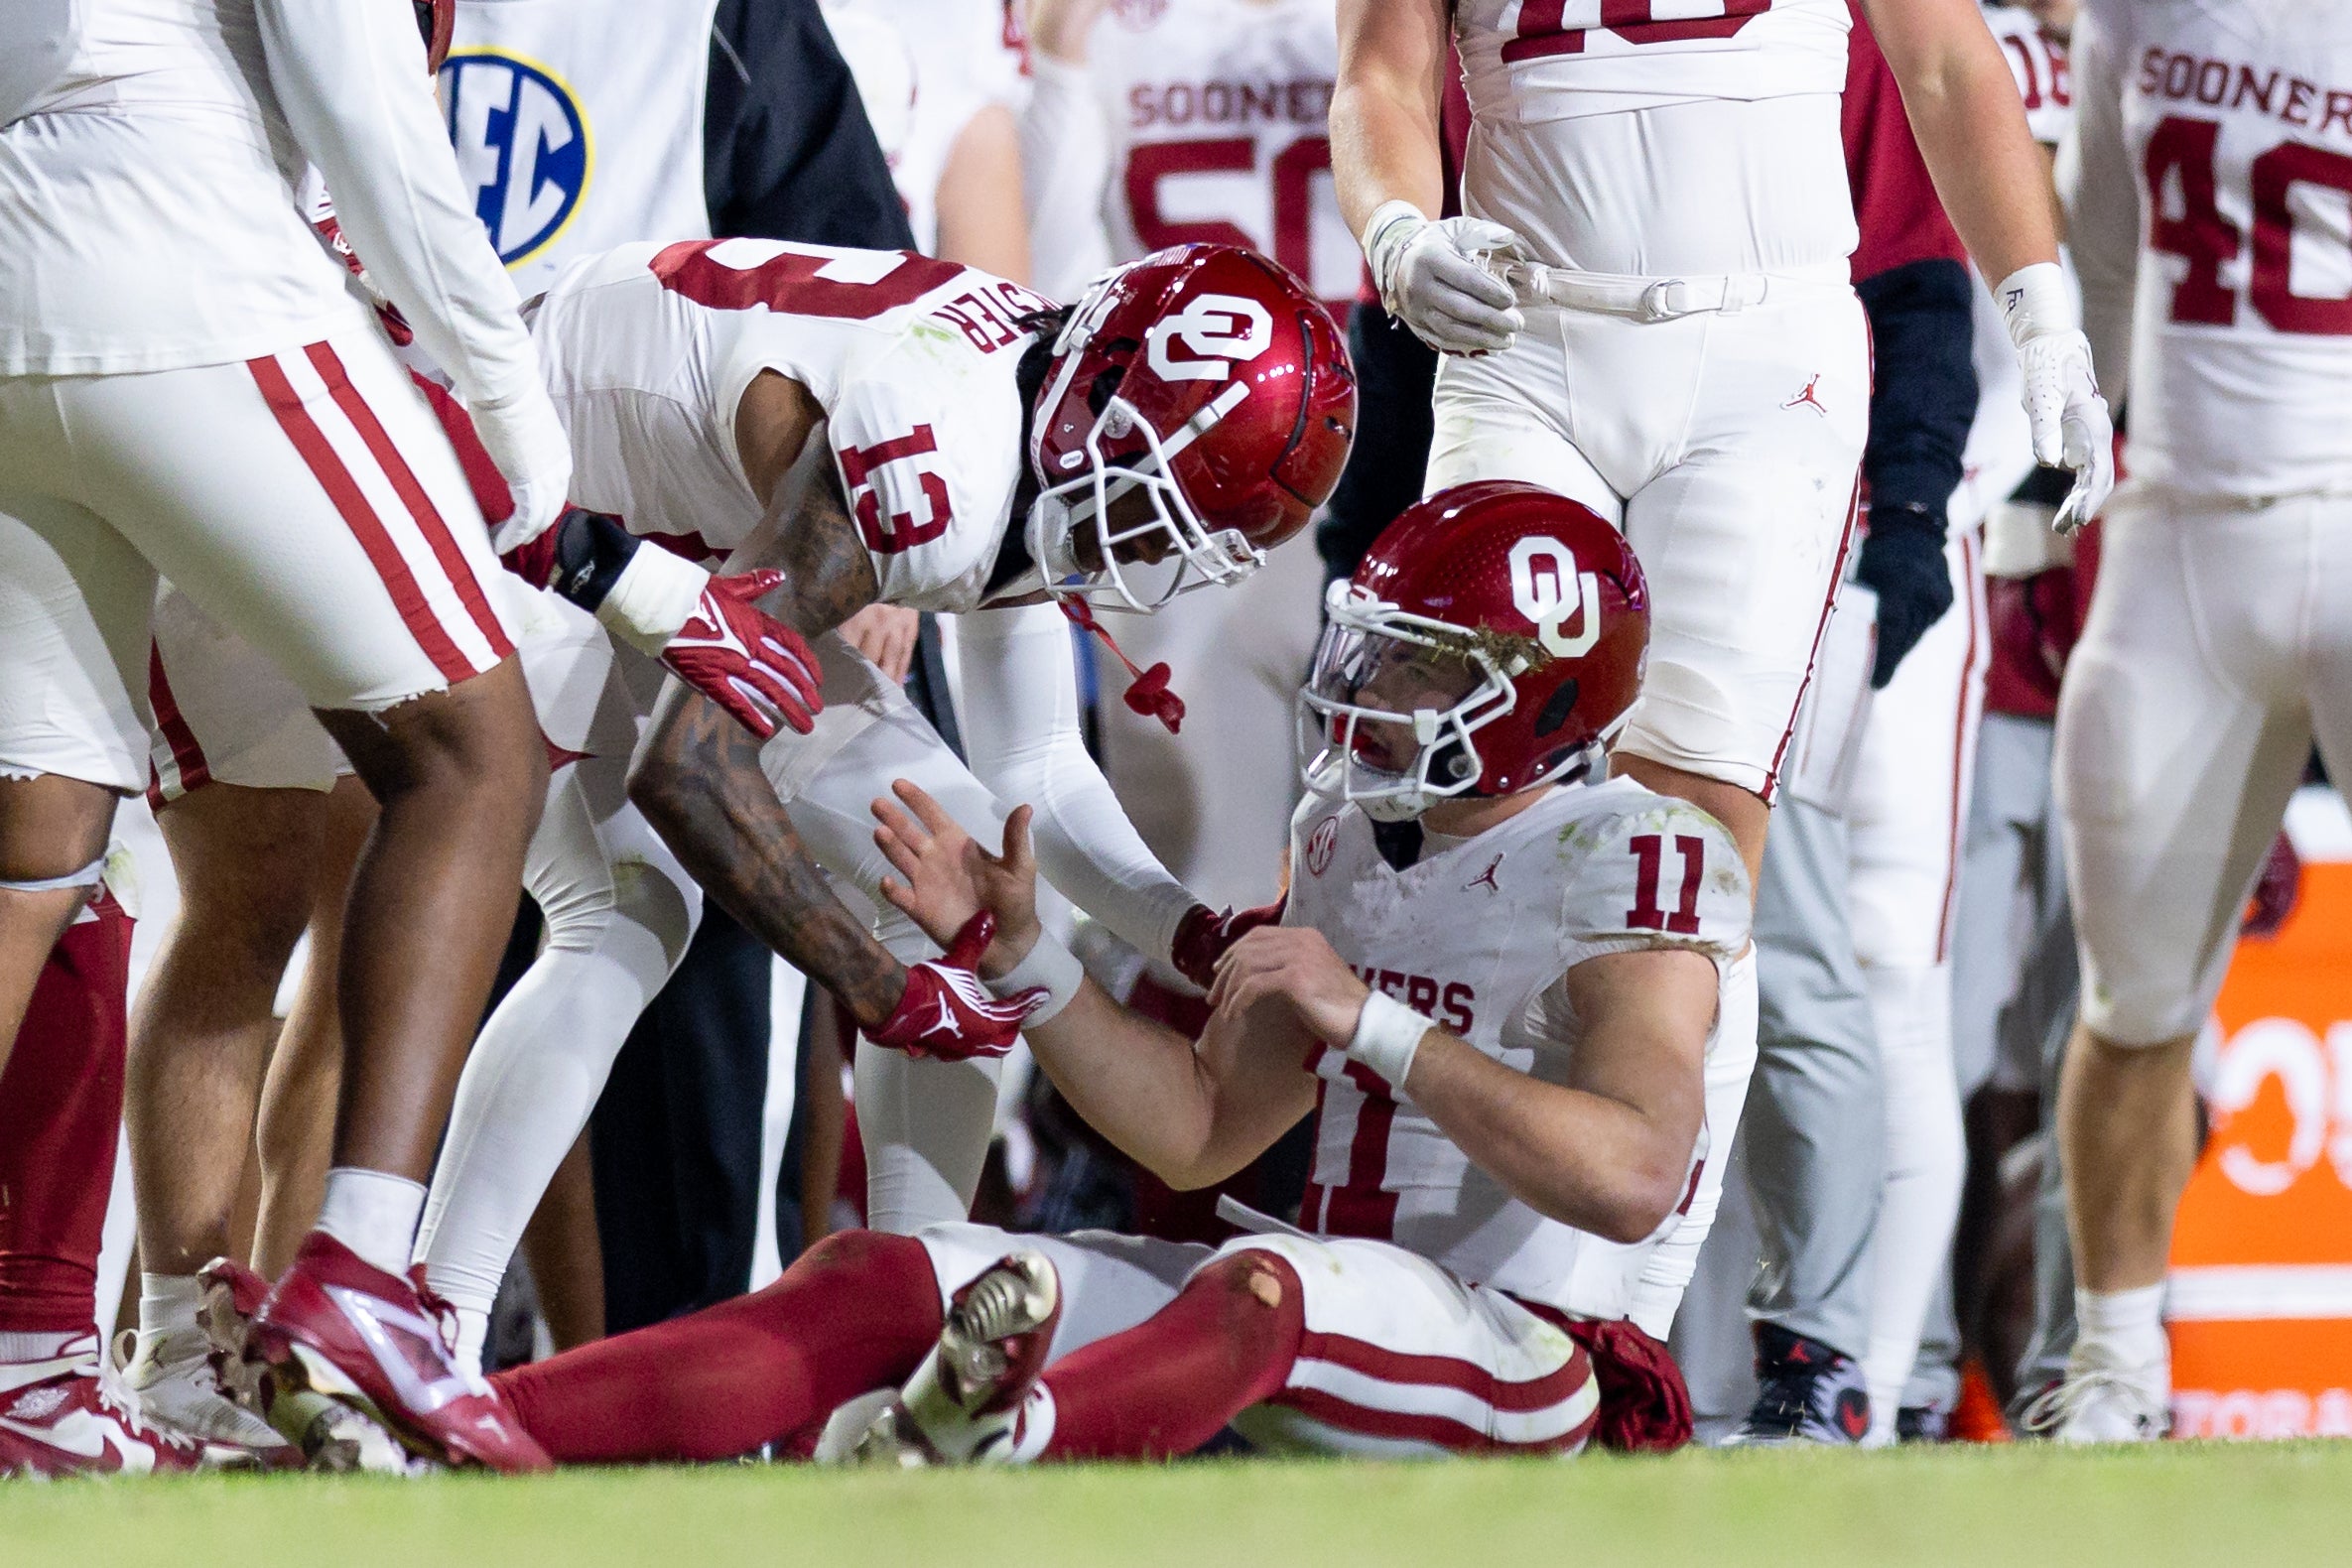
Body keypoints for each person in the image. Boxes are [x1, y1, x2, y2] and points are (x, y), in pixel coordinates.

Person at [235, 481, 1744, 1471]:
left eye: (1425, 667)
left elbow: (1628, 1174)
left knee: (1261, 1284)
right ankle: (449, 1430)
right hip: (1292, 1312)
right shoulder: (1355, 834)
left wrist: (1374, 1025)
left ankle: (980, 1450)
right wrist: (1024, 962)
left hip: (1530, 1357)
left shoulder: (1633, 856)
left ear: (1536, 699)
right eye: (1381, 651)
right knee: (888, 1271)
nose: (1375, 693)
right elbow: (1196, 1133)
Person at [1327, 0, 2115, 1343]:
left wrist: (2040, 310)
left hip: (1765, 362)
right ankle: (1433, 1282)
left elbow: (1938, 58)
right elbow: (1378, 79)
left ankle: (1610, 1342)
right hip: (1519, 351)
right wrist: (1400, 234)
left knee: (1687, 860)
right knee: (1459, 817)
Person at [0, 0, 575, 1475]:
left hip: (16, 257)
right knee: (471, 753)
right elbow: (357, 85)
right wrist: (505, 386)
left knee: (30, 851)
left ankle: (27, 1367)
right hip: (172, 243)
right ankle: (366, 1280)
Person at [2041, 0, 2352, 1442]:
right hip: (2176, 529)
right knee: (2133, 999)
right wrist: (2053, 471)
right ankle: (2115, 1374)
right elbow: (2096, 258)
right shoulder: (2134, 11)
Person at [1719, 0, 1985, 1444]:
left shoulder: (1854, 28)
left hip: (1825, 525)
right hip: (1611, 510)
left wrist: (1907, 526)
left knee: (1847, 973)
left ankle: (1854, 1371)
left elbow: (1920, 281)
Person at [1021, 0, 1348, 924]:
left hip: (1382, 465)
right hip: (1180, 491)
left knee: (1405, 882)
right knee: (1190, 892)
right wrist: (1057, 56)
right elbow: (1047, 286)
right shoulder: (1112, 25)